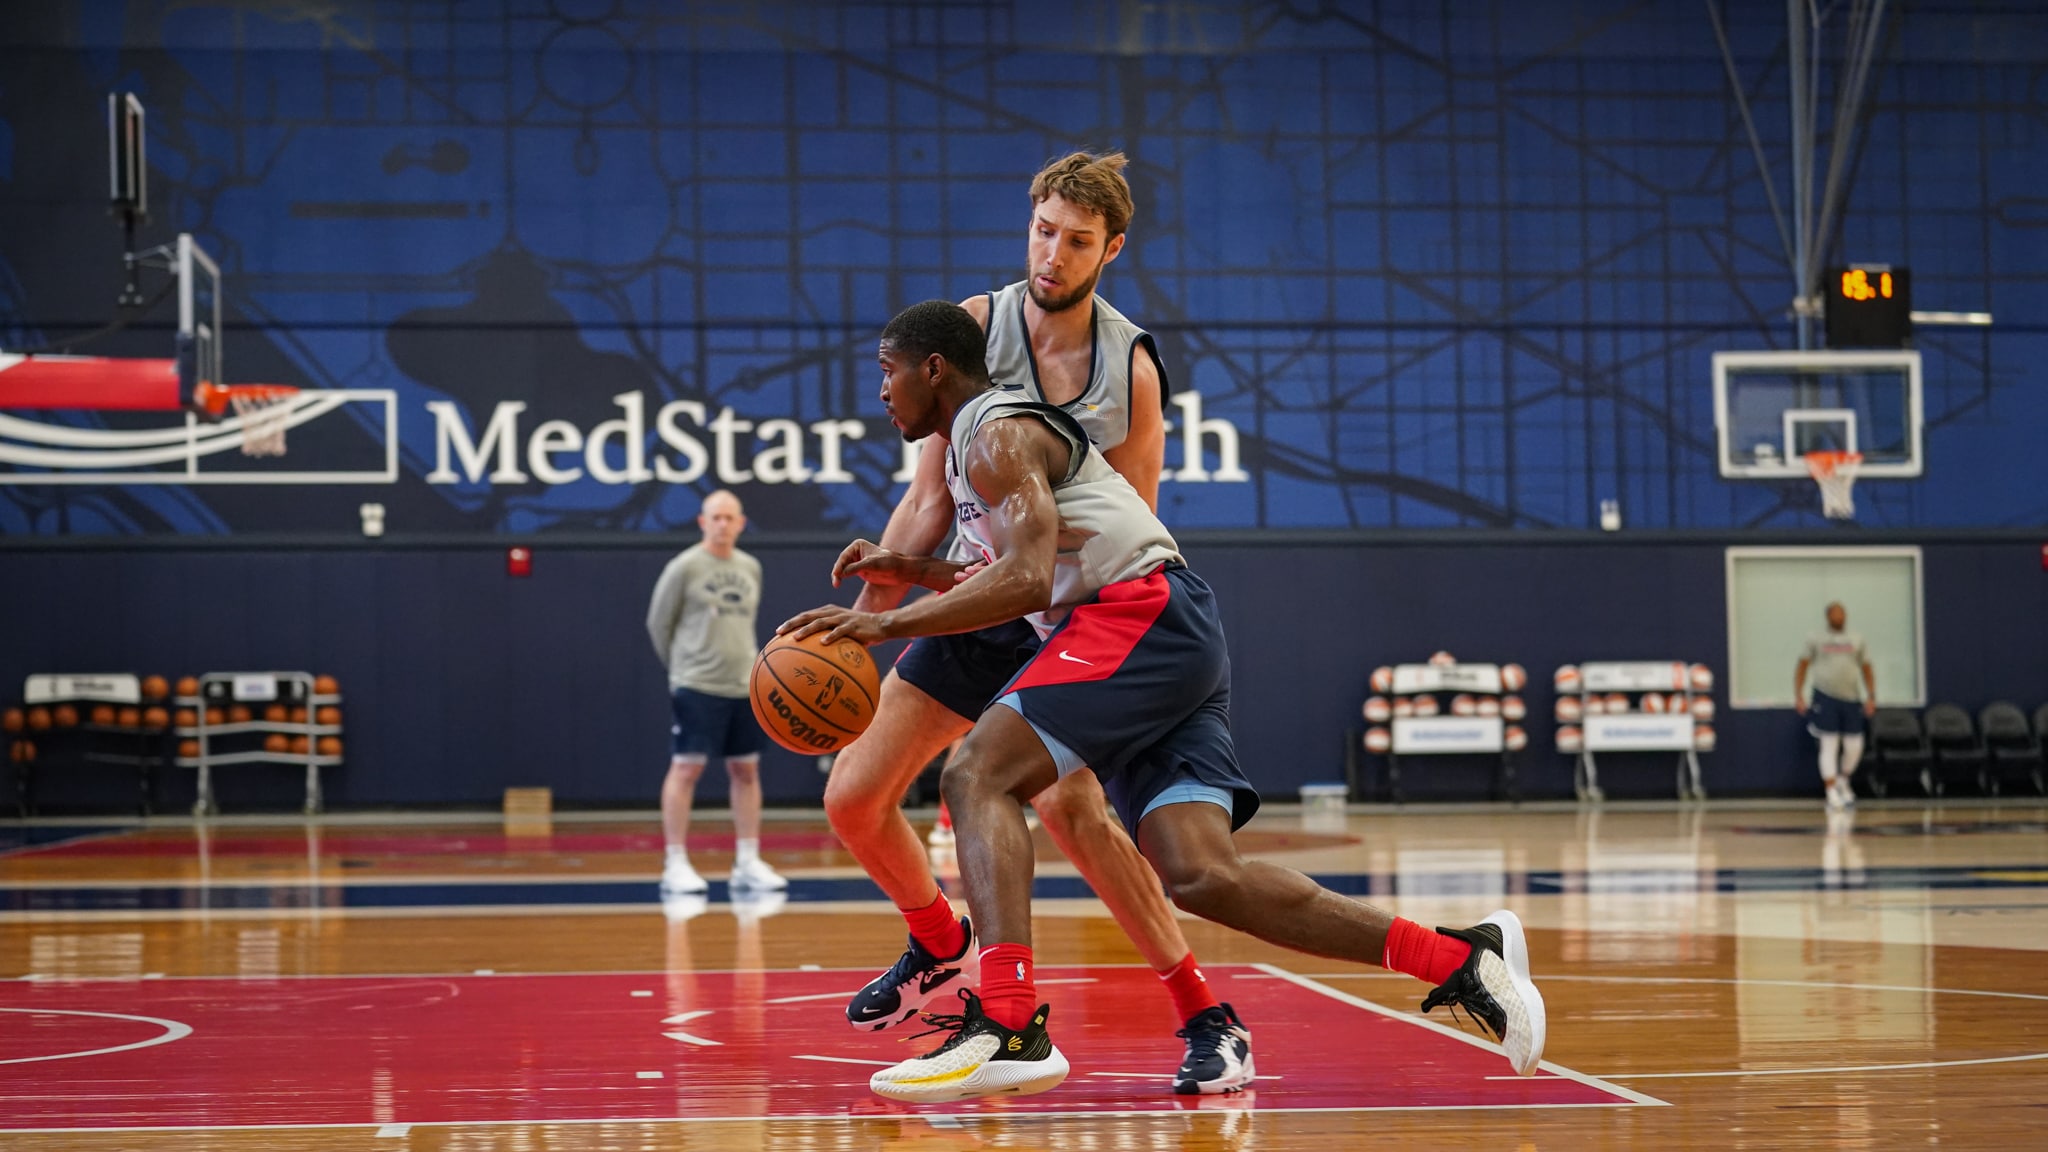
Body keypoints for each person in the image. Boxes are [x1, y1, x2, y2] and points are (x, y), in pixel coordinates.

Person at [783, 301, 1546, 1104]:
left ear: (932, 368)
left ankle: (1008, 1024)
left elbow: (1029, 582)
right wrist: (915, 567)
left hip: (1135, 618)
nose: (881, 391)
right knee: (1203, 876)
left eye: (886, 370)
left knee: (977, 775)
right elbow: (1018, 573)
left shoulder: (994, 433)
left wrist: (882, 621)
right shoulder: (974, 451)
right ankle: (1462, 959)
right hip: (1167, 629)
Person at [823, 153, 1254, 1095]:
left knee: (1071, 808)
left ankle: (1206, 1014)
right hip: (977, 593)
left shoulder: (1129, 363)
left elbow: (1133, 513)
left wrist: (1074, 628)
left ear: (1114, 249)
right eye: (1042, 231)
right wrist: (866, 622)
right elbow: (925, 497)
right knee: (854, 796)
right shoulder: (975, 327)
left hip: (1064, 603)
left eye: (1077, 240)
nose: (1053, 254)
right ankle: (942, 948)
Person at [646, 489, 786, 895]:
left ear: (741, 523)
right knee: (687, 768)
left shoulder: (750, 567)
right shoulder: (684, 567)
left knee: (746, 770)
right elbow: (659, 624)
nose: (723, 524)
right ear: (702, 522)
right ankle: (674, 862)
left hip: (743, 683)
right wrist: (681, 670)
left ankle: (747, 860)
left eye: (730, 517)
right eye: (715, 517)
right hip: (696, 683)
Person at [1794, 601, 1877, 810]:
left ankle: (1843, 780)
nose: (1839, 617)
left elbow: (1866, 667)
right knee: (1829, 744)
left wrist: (1871, 696)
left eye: (1842, 614)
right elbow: (1802, 666)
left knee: (1854, 746)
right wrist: (1799, 695)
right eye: (1835, 614)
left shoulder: (1857, 639)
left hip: (1851, 698)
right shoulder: (1816, 638)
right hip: (1825, 697)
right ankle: (1831, 791)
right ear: (1828, 617)